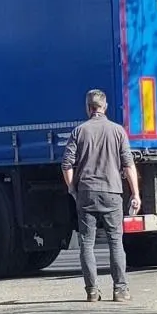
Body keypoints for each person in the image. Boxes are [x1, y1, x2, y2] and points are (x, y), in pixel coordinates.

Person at [62, 89, 140, 303]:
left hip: (86, 192)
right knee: (116, 241)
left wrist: (72, 189)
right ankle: (120, 290)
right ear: (104, 107)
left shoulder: (79, 131)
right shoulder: (117, 131)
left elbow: (67, 165)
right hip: (112, 192)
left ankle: (92, 291)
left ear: (88, 108)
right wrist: (135, 193)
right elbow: (128, 164)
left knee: (87, 243)